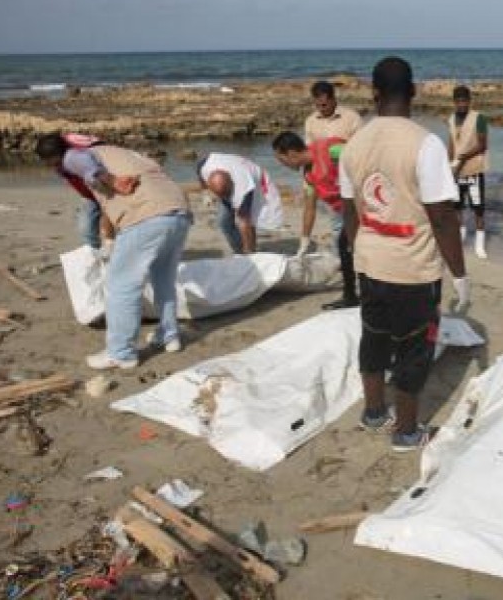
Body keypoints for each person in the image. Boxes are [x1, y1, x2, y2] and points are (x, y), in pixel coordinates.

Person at [341, 56, 470, 452]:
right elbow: (442, 217)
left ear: (374, 93)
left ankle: (373, 412)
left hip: (370, 264)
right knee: (414, 348)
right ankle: (407, 432)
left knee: (374, 337)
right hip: (413, 270)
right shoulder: (425, 144)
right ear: (413, 91)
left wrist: (359, 252)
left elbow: (349, 211)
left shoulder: (354, 143)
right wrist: (460, 275)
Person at [36, 134, 192, 370]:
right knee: (163, 279)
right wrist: (110, 237)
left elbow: (81, 162)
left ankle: (121, 353)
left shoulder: (74, 156)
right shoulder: (121, 152)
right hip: (178, 212)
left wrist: (111, 180)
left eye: (51, 163)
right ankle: (169, 335)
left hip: (146, 215)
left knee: (120, 285)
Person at [272, 130, 358, 309]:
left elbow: (363, 154)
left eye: (282, 160)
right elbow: (309, 207)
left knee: (349, 247)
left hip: (363, 206)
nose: (283, 166)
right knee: (345, 248)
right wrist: (304, 241)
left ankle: (355, 295)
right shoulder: (309, 174)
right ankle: (351, 295)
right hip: (346, 213)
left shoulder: (331, 150)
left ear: (291, 154)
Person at [194, 152, 283, 254]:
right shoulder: (205, 165)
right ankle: (239, 250)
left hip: (252, 178)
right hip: (232, 174)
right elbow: (200, 174)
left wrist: (248, 253)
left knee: (248, 219)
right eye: (220, 195)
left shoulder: (243, 189)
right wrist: (205, 192)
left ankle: (250, 251)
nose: (224, 198)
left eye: (226, 195)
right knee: (224, 222)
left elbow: (244, 222)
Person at [42, 132, 112, 250]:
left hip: (107, 189)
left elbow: (101, 174)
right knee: (86, 229)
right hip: (90, 194)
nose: (52, 167)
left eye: (54, 163)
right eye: (49, 164)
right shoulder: (62, 158)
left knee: (110, 229)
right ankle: (95, 254)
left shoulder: (81, 155)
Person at [447, 85, 490, 259]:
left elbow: (482, 145)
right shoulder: (451, 119)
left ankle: (479, 246)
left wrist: (463, 158)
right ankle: (461, 239)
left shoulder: (479, 118)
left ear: (470, 101)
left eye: (465, 101)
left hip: (473, 169)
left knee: (478, 209)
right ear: (454, 102)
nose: (462, 104)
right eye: (458, 101)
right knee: (457, 207)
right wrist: (448, 165)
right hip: (456, 170)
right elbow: (451, 144)